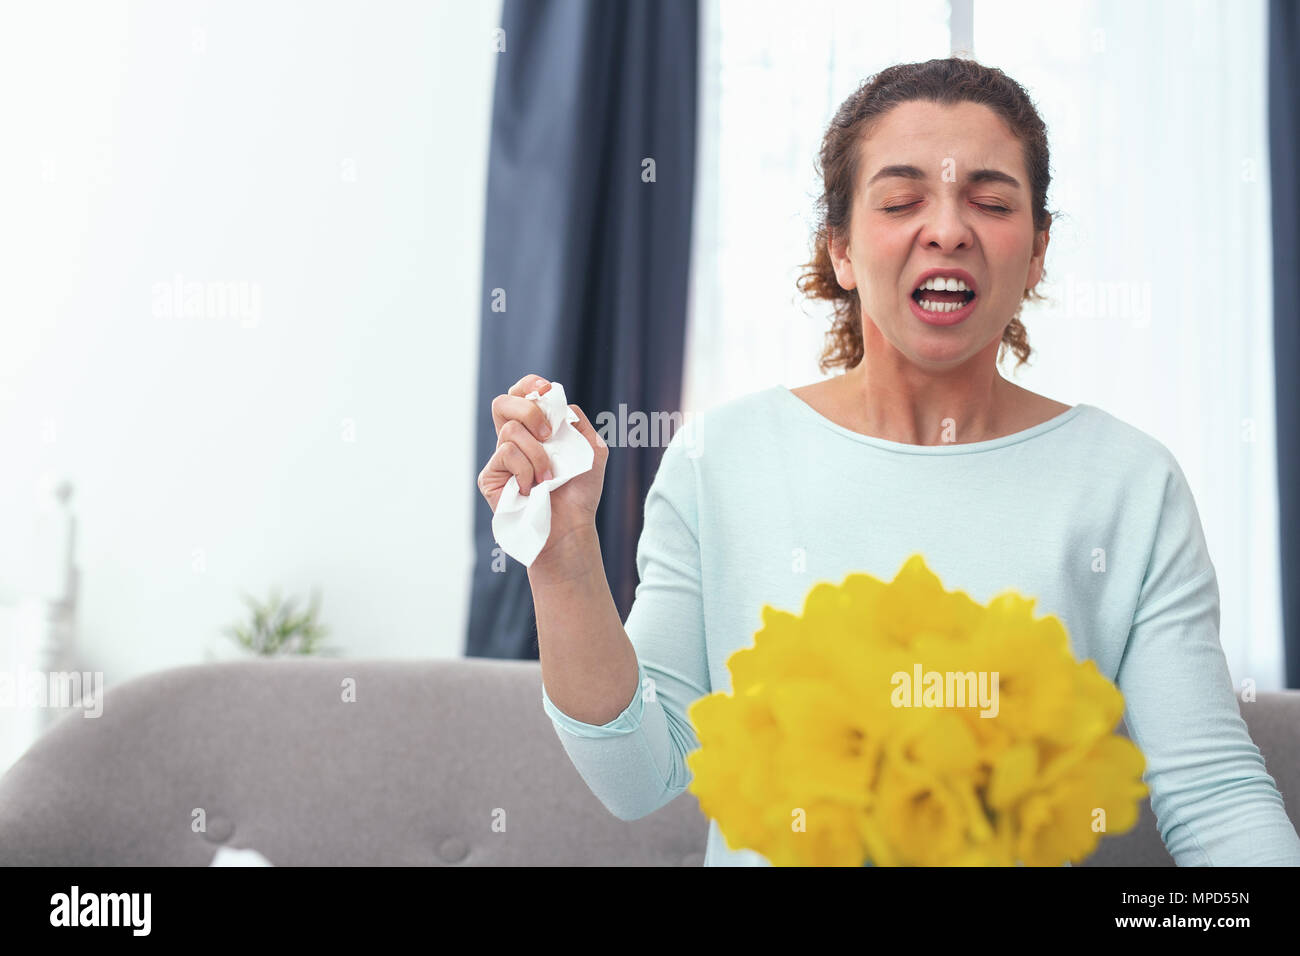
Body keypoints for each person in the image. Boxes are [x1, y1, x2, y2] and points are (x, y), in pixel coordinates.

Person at [476, 57, 1300, 866]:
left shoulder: (1129, 484)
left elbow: (1216, 796)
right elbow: (641, 775)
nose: (947, 229)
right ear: (839, 250)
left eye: (990, 200)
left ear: (1039, 252)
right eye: (902, 199)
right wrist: (563, 557)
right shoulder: (718, 459)